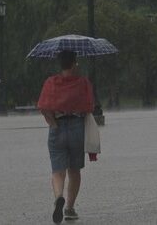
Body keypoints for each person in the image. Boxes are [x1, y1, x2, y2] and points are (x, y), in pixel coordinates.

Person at [37, 50, 94, 223]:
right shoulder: (83, 82)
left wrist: (53, 123)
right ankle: (69, 208)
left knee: (57, 171)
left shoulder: (51, 82)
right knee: (74, 170)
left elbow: (43, 107)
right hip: (76, 127)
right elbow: (89, 107)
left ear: (60, 64)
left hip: (57, 127)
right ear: (74, 63)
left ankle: (58, 197)